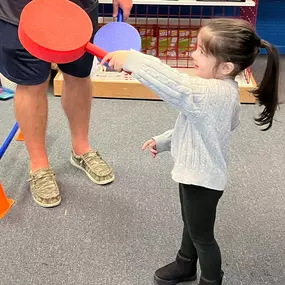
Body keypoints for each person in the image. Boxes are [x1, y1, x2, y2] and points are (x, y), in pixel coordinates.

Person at [101, 18, 280, 285]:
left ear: (226, 67)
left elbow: (175, 85)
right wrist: (164, 141)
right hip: (195, 174)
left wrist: (131, 59)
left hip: (202, 181)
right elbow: (200, 128)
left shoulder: (209, 92)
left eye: (201, 51)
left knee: (203, 237)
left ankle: (210, 279)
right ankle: (185, 264)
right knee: (191, 224)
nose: (192, 54)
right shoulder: (223, 89)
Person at [0, 0, 132, 208]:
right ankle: (39, 166)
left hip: (77, 7)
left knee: (79, 75)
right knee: (30, 83)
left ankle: (81, 150)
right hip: (19, 10)